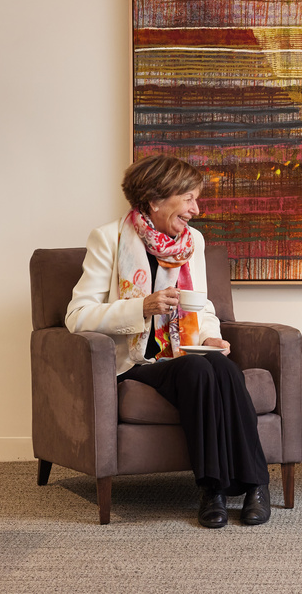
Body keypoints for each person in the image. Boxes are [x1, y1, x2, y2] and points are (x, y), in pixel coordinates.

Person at [66, 154, 271, 529]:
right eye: (189, 198)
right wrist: (138, 308)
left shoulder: (192, 241)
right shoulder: (108, 238)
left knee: (220, 366)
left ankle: (254, 485)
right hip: (135, 363)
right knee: (198, 369)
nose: (196, 209)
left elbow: (202, 304)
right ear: (156, 198)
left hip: (186, 350)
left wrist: (211, 334)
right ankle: (214, 490)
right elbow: (77, 317)